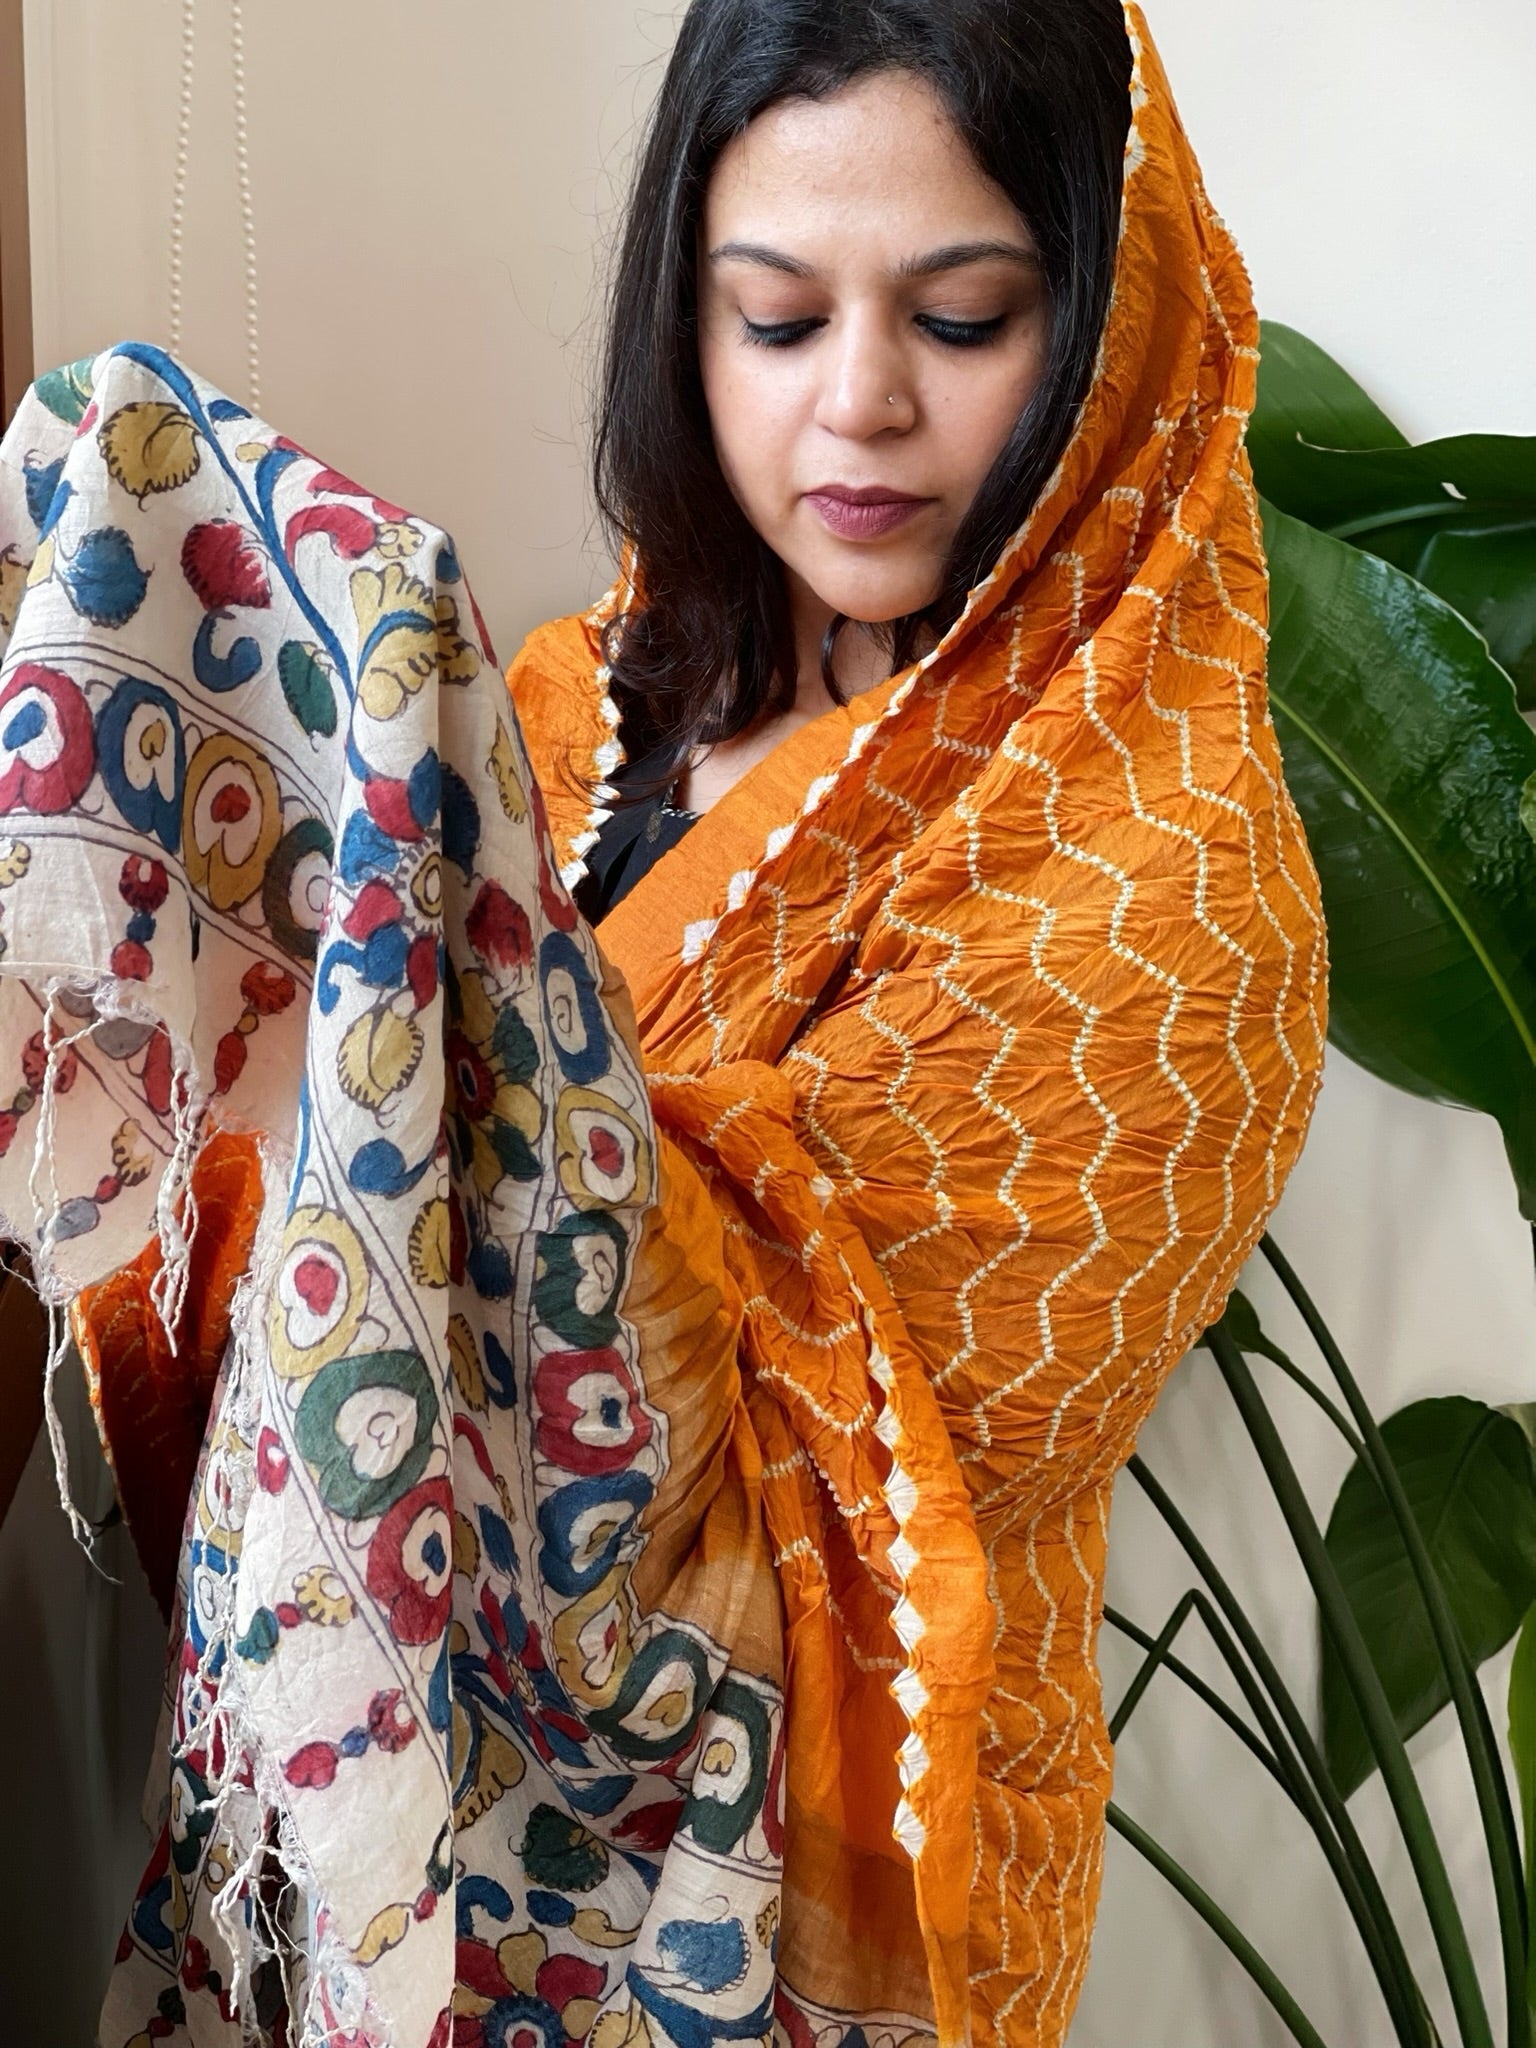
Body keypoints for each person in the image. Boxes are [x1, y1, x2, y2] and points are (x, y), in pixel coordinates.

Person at [0, 1, 1324, 2044]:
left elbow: (700, 1461)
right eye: (776, 318)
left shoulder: (1166, 905)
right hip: (424, 1804)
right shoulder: (591, 690)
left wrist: (413, 979)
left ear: (1107, 333)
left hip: (806, 1889)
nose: (859, 405)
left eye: (963, 319)